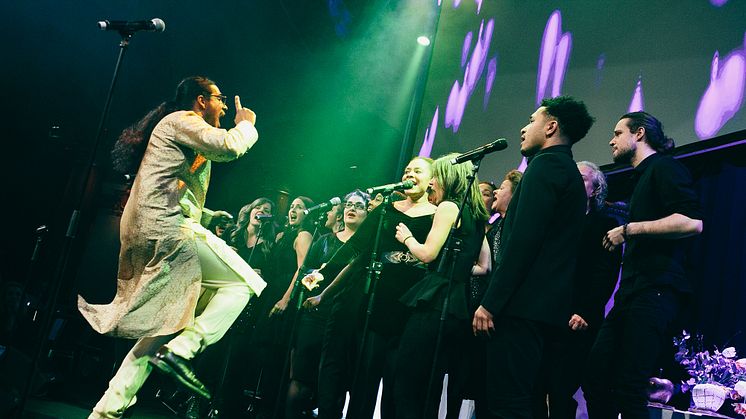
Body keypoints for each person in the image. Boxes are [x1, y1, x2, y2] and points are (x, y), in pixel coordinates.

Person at [78, 76, 266, 419]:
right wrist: (246, 124)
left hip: (149, 228)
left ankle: (105, 412)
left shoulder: (175, 128)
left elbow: (169, 184)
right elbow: (228, 146)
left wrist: (206, 214)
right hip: (166, 229)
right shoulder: (183, 120)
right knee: (245, 283)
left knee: (163, 326)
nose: (223, 106)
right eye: (218, 99)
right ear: (200, 101)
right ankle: (183, 350)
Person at [473, 96, 594, 418]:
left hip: (521, 308)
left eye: (531, 120)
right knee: (529, 400)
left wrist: (491, 302)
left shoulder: (544, 168)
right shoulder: (565, 171)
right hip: (545, 310)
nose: (524, 129)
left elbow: (523, 242)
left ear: (551, 127)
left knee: (507, 401)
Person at [583, 111, 703, 418]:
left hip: (656, 289)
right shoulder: (643, 178)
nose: (611, 140)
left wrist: (630, 229)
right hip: (632, 293)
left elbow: (691, 222)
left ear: (638, 134)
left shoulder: (664, 169)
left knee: (629, 385)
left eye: (617, 132)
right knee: (596, 376)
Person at [304, 156, 436, 419]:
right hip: (378, 301)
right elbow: (355, 249)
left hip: (413, 303)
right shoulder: (387, 208)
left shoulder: (437, 215)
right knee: (364, 380)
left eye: (418, 170)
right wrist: (323, 274)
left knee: (397, 387)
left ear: (431, 179)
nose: (410, 174)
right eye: (407, 169)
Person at [393, 153, 491, 419]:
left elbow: (427, 254)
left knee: (407, 377)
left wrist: (408, 238)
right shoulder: (476, 214)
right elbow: (485, 266)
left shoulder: (449, 207)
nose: (432, 182)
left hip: (435, 301)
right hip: (455, 305)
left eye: (435, 175)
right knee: (430, 383)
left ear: (449, 177)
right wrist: (456, 268)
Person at [532, 161, 623, 418]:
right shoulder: (556, 222)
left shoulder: (604, 223)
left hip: (576, 321)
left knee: (560, 390)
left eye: (581, 178)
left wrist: (585, 311)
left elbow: (604, 274)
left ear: (595, 190)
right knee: (536, 387)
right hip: (547, 317)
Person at [284, 190, 370, 419]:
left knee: (333, 382)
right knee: (301, 378)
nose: (352, 208)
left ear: (368, 211)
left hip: (346, 318)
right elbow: (305, 270)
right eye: (349, 204)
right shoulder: (325, 241)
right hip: (315, 315)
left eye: (359, 206)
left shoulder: (368, 247)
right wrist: (316, 277)